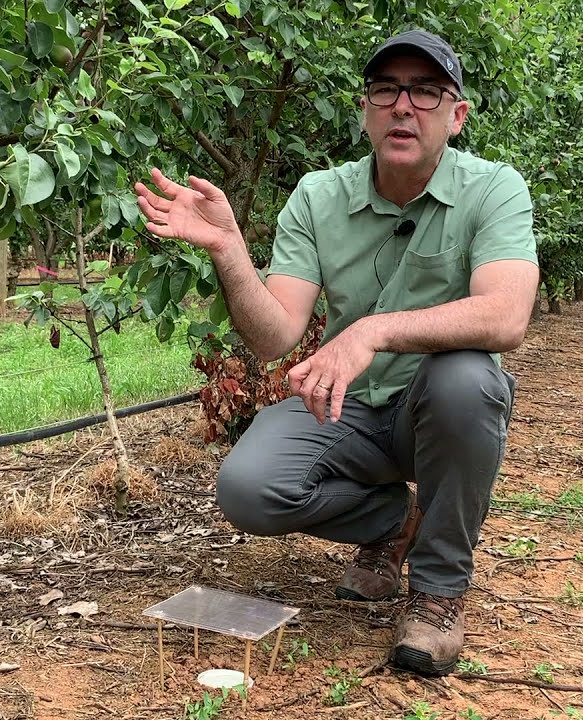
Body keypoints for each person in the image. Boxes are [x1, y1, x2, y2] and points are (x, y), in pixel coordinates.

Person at [134, 28, 538, 676]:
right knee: (249, 488)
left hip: (431, 409)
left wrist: (372, 330)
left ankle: (437, 593)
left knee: (469, 382)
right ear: (365, 112)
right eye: (386, 89)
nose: (403, 106)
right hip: (347, 406)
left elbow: (506, 313)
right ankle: (389, 521)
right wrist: (230, 250)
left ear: (457, 115)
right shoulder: (320, 197)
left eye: (426, 91)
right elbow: (274, 336)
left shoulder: (494, 191)